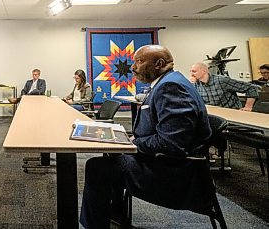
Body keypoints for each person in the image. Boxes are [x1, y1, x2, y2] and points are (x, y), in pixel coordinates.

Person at [80, 45, 211, 229]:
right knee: (110, 156)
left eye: (139, 61)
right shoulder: (167, 82)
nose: (133, 67)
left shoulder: (171, 87)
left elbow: (171, 144)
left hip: (175, 173)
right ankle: (116, 216)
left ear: (159, 63)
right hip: (165, 162)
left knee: (96, 167)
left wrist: (132, 142)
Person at [190, 62, 259, 111]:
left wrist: (248, 107)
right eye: (191, 71)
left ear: (204, 71)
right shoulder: (196, 84)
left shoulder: (222, 80)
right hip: (216, 113)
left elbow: (251, 88)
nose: (191, 74)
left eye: (194, 71)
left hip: (232, 112)